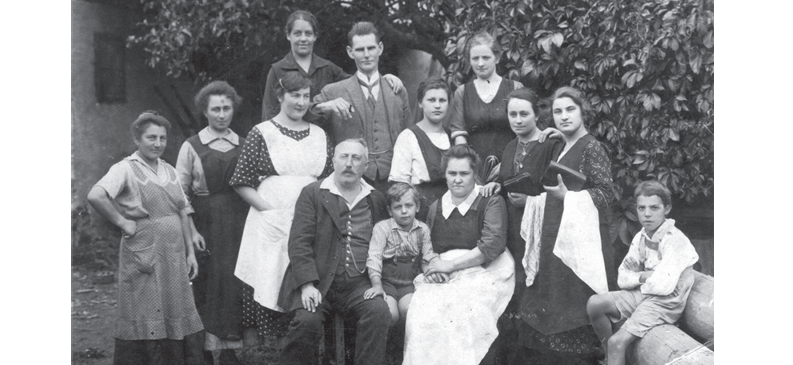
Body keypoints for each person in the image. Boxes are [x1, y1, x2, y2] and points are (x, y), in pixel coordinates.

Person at [87, 111, 204, 365]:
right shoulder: (125, 169)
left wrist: (190, 253)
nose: (157, 143)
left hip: (173, 254)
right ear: (137, 139)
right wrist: (122, 222)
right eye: (151, 137)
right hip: (144, 252)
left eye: (162, 138)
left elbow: (182, 211)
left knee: (176, 308)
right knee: (146, 310)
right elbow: (96, 195)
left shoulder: (170, 170)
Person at [515, 86, 617, 364]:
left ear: (583, 111)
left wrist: (568, 197)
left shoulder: (592, 147)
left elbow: (606, 194)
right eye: (558, 111)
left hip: (579, 245)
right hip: (556, 236)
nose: (564, 116)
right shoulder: (561, 145)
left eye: (570, 109)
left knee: (575, 316)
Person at [230, 71, 334, 344]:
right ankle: (272, 349)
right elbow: (242, 182)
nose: (301, 102)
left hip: (311, 215)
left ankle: (303, 344)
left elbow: (330, 180)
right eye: (294, 95)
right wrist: (270, 212)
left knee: (307, 273)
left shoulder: (320, 134)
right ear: (279, 96)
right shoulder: (262, 133)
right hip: (271, 217)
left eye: (306, 96)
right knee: (271, 275)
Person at [276, 139, 392, 365]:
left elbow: (383, 242)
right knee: (306, 322)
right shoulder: (313, 193)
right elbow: (299, 243)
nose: (349, 163)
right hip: (319, 283)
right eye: (344, 157)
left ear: (366, 165)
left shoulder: (375, 198)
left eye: (356, 158)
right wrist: (307, 285)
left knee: (378, 312)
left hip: (359, 284)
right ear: (333, 161)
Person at [402, 144, 515, 365]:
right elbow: (426, 247)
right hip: (444, 273)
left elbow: (491, 246)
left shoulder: (489, 201)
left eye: (464, 173)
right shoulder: (436, 207)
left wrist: (450, 266)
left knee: (464, 310)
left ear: (475, 174)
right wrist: (432, 269)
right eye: (452, 173)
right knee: (423, 310)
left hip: (487, 270)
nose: (458, 179)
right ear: (444, 175)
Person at [175, 81, 249, 364]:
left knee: (232, 283)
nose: (222, 114)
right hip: (203, 223)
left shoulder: (243, 144)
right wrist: (191, 231)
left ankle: (230, 352)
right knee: (206, 285)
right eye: (215, 109)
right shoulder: (191, 146)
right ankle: (204, 352)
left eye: (226, 108)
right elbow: (180, 194)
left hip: (237, 221)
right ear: (205, 112)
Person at [587, 181, 699, 365]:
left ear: (667, 209)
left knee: (617, 341)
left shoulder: (676, 241)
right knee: (595, 304)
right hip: (644, 294)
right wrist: (644, 276)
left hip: (665, 303)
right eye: (641, 208)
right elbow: (622, 277)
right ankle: (609, 357)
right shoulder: (642, 236)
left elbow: (662, 287)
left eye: (654, 208)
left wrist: (639, 276)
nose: (647, 214)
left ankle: (614, 352)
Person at [309, 21, 413, 193]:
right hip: (350, 181)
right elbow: (303, 112)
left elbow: (409, 137)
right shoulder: (333, 92)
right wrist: (326, 105)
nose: (366, 55)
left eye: (371, 48)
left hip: (392, 179)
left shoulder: (396, 90)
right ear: (350, 52)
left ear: (380, 48)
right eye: (359, 50)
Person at [262, 10, 404, 123]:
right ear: (288, 35)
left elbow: (357, 85)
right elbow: (269, 114)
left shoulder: (328, 68)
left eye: (308, 33)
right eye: (297, 34)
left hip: (324, 142)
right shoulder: (278, 70)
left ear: (315, 36)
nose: (303, 39)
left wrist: (384, 78)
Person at [449, 32, 524, 174]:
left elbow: (525, 133)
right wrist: (470, 170)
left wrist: (508, 165)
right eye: (475, 58)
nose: (480, 63)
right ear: (469, 60)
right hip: (475, 171)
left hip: (511, 168)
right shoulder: (462, 92)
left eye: (486, 57)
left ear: (496, 58)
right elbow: (459, 135)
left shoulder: (515, 88)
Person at [364, 182, 439, 324]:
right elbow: (374, 257)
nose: (404, 211)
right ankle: (389, 345)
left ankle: (404, 345)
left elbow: (427, 257)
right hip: (386, 282)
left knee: (409, 310)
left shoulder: (422, 229)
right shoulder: (382, 228)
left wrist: (430, 273)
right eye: (398, 207)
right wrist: (376, 285)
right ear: (390, 210)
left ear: (417, 207)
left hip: (409, 282)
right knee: (390, 313)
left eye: (408, 206)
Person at [389, 77, 452, 221]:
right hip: (421, 212)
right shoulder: (408, 137)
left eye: (442, 100)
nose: (437, 105)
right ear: (420, 103)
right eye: (431, 100)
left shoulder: (452, 137)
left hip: (451, 209)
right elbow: (399, 186)